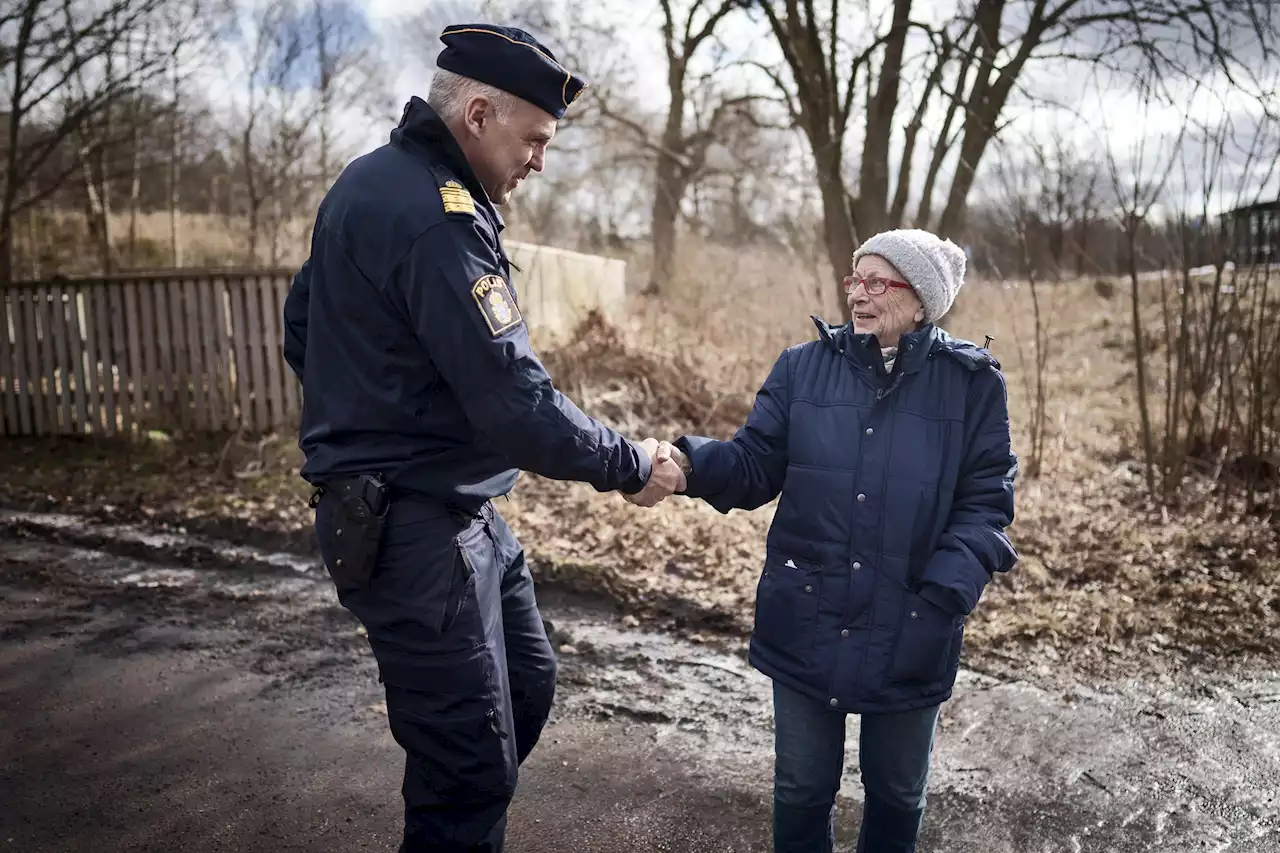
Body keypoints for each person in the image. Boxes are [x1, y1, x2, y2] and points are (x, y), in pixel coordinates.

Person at [280, 23, 685, 853]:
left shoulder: (371, 181)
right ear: (477, 114)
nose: (541, 159)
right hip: (415, 528)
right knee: (468, 769)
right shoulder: (438, 215)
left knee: (526, 688)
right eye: (535, 139)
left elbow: (302, 327)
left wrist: (384, 401)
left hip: (462, 514)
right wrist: (629, 461)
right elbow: (518, 405)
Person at [643, 229, 1018, 853]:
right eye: (855, 279)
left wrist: (942, 599)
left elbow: (986, 503)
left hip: (912, 619)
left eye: (878, 282)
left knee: (897, 795)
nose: (859, 295)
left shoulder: (971, 384)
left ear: (920, 300)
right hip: (808, 611)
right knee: (799, 789)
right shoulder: (802, 367)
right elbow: (755, 463)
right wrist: (688, 465)